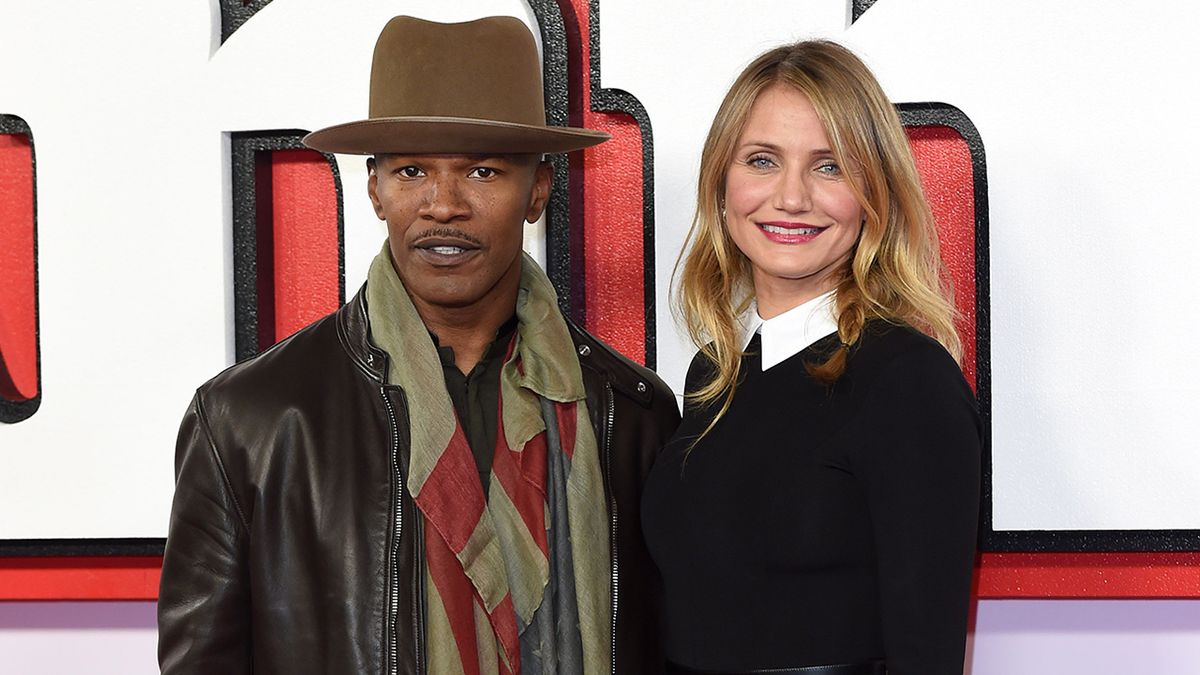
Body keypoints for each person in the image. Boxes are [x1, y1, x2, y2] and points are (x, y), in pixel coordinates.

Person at [157, 16, 678, 675]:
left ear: (538, 190)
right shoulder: (248, 420)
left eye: (483, 171)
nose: (443, 204)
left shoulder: (630, 417)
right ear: (374, 189)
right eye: (410, 170)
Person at [641, 40, 981, 675]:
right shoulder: (714, 374)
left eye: (830, 167)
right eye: (763, 161)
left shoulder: (909, 382)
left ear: (874, 192)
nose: (791, 198)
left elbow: (926, 654)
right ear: (722, 182)